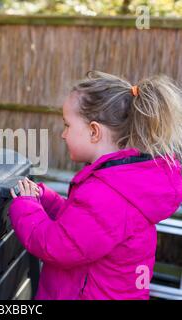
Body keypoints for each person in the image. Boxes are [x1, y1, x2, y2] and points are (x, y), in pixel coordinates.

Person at [9, 70, 182, 300]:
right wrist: (47, 200)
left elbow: (56, 245)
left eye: (67, 125)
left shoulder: (107, 194)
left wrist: (25, 207)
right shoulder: (122, 186)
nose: (63, 134)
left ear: (94, 131)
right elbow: (83, 229)